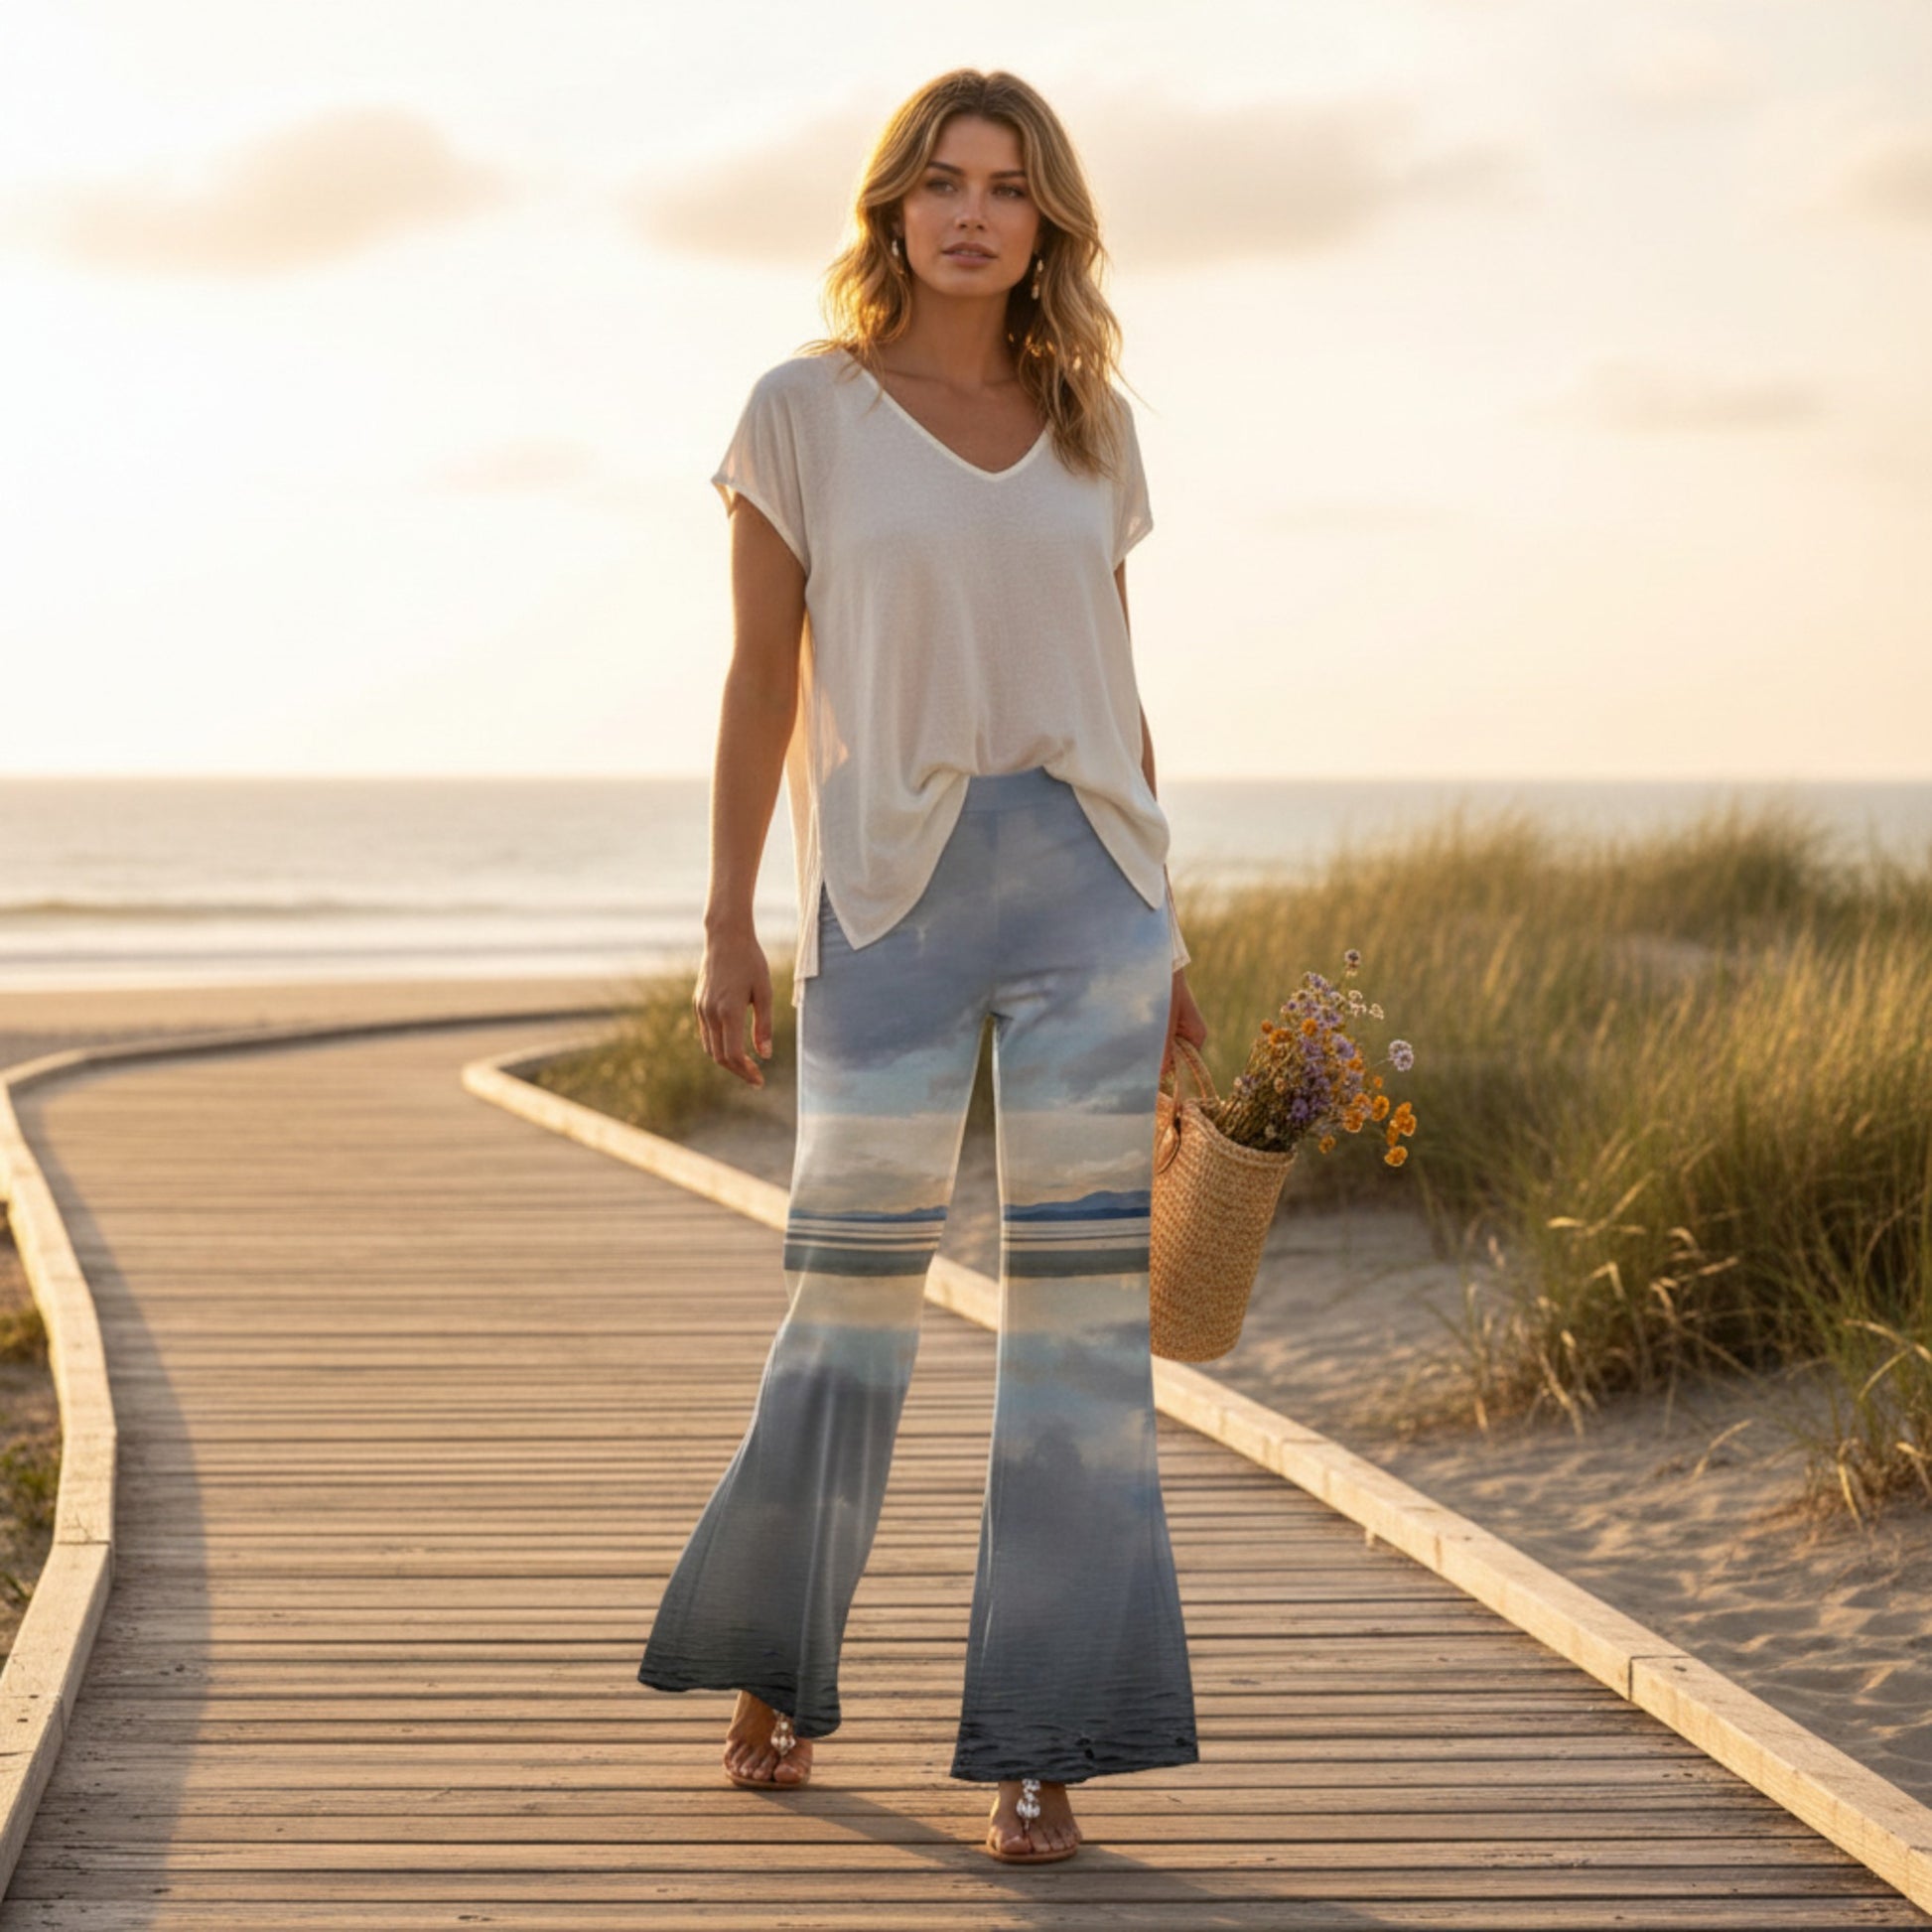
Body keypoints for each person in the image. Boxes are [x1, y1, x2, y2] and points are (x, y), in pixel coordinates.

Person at [636, 67, 1210, 1866]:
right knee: (847, 1305)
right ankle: (771, 1655)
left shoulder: (1092, 420)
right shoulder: (800, 411)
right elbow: (756, 683)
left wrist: (1167, 927)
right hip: (882, 897)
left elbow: (1114, 693)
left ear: (1048, 222)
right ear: (891, 209)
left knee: (1076, 1344)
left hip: (1089, 896)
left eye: (1009, 187)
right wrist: (731, 912)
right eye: (941, 182)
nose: (972, 213)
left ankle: (1042, 1741)